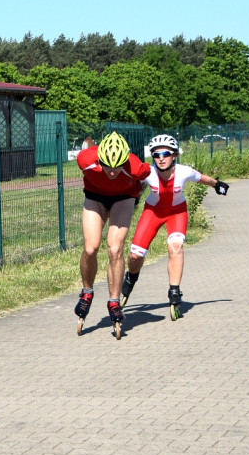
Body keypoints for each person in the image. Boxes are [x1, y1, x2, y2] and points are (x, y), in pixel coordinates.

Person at [121, 134, 230, 320]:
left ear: (175, 155)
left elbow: (202, 178)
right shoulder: (148, 172)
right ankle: (130, 278)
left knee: (176, 247)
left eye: (166, 153)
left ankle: (174, 291)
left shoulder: (183, 171)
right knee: (135, 255)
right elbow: (128, 177)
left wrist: (217, 184)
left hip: (177, 212)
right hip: (153, 212)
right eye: (156, 154)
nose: (161, 158)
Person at [73, 132, 150, 331]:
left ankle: (114, 301)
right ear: (99, 160)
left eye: (118, 167)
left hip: (123, 198)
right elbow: (87, 146)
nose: (113, 172)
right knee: (91, 248)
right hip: (94, 197)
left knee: (115, 249)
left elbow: (153, 174)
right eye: (107, 167)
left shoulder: (136, 167)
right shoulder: (85, 160)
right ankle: (87, 292)